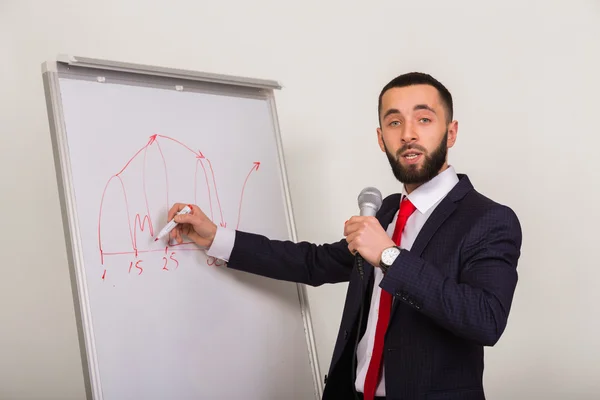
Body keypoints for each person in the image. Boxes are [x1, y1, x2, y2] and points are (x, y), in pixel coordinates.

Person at [167, 72, 522, 400]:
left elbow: (485, 320)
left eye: (424, 119)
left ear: (452, 132)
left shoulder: (488, 219)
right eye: (394, 122)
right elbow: (312, 263)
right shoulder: (387, 213)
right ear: (381, 139)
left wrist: (389, 256)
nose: (408, 133)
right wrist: (215, 236)